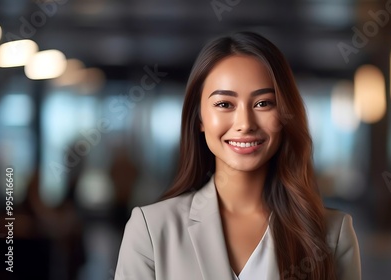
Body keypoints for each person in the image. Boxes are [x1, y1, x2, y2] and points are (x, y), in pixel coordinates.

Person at [115, 31, 361, 280]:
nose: (245, 123)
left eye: (263, 103)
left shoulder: (332, 234)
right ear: (199, 117)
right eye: (224, 104)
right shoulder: (151, 230)